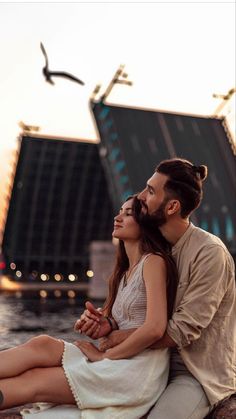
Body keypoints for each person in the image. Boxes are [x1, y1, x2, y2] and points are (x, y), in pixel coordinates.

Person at [78, 158, 236, 419]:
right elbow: (139, 312)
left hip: (192, 373)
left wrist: (116, 340)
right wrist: (107, 323)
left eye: (151, 191)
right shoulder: (153, 248)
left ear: (172, 206)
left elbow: (181, 331)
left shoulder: (209, 253)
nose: (140, 196)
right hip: (146, 362)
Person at [0, 195, 178, 419]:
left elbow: (154, 328)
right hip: (118, 359)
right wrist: (104, 323)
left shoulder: (154, 262)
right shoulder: (122, 272)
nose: (118, 217)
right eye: (120, 211)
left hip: (135, 371)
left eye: (128, 214)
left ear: (145, 225)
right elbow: (126, 320)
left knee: (35, 380)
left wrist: (105, 357)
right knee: (42, 343)